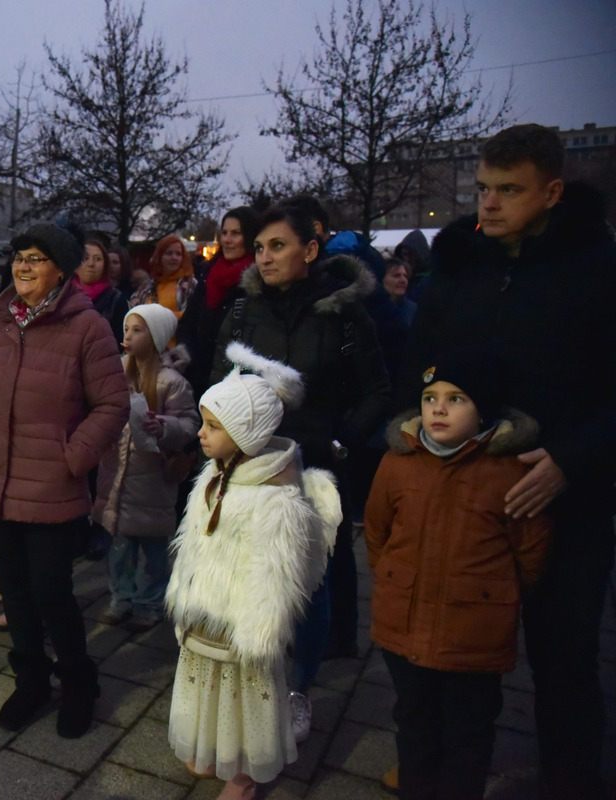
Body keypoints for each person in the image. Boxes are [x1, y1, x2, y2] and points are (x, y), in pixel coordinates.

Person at [405, 123, 616, 799]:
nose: (488, 204)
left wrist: (572, 459)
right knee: (461, 659)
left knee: (564, 662)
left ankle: (570, 781)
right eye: (483, 188)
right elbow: (420, 363)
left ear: (552, 191)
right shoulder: (459, 266)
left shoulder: (595, 269)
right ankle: (449, 776)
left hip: (566, 499)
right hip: (468, 500)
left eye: (508, 190)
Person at [211, 205, 390, 742]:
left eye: (277, 246)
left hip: (314, 467)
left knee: (308, 583)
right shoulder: (243, 312)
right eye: (260, 246)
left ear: (310, 250)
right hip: (249, 466)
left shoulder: (344, 314)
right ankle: (249, 681)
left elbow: (379, 390)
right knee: (248, 580)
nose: (264, 256)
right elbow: (218, 380)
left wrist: (341, 442)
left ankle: (299, 688)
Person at [0, 223, 129, 739]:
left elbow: (113, 405)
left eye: (36, 258)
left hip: (50, 488)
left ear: (62, 269)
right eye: (19, 256)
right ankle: (30, 680)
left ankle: (78, 685)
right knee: (17, 595)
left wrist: (72, 457)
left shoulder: (86, 327)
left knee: (53, 593)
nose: (22, 266)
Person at [366, 350, 552, 800]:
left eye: (457, 398)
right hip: (404, 627)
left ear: (484, 409)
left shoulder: (509, 470)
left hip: (473, 635)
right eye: (430, 398)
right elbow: (377, 531)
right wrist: (394, 578)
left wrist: (498, 597)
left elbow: (530, 550)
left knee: (468, 732)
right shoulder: (399, 462)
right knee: (414, 721)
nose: (439, 409)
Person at [166, 342, 339, 799]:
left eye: (214, 426)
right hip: (206, 609)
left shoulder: (275, 497)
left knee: (246, 699)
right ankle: (213, 747)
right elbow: (194, 541)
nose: (201, 434)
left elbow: (274, 574)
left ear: (246, 432)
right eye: (204, 423)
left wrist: (257, 632)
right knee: (207, 687)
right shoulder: (214, 474)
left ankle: (244, 773)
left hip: (243, 628)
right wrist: (186, 593)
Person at [94, 304, 199, 631]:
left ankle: (149, 601)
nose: (127, 336)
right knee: (120, 547)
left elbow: (190, 422)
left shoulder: (171, 382)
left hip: (152, 479)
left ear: (156, 337)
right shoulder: (116, 372)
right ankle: (121, 596)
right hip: (116, 476)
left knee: (153, 550)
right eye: (127, 329)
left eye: (137, 330)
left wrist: (164, 426)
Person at [178, 207, 262, 399]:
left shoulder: (257, 282)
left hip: (237, 386)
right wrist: (188, 354)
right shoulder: (209, 274)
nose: (227, 240)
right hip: (199, 379)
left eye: (235, 233)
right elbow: (188, 322)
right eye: (224, 233)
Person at [74, 233, 128, 343]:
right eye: (85, 258)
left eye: (97, 259)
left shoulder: (116, 300)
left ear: (105, 266)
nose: (91, 264)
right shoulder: (62, 295)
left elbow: (120, 342)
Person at [130, 235, 198, 321]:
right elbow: (134, 310)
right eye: (169, 253)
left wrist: (165, 318)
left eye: (178, 254)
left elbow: (194, 314)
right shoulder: (148, 285)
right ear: (159, 257)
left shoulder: (190, 284)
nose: (174, 258)